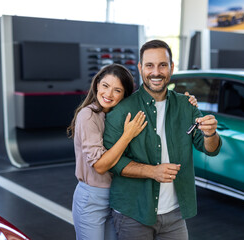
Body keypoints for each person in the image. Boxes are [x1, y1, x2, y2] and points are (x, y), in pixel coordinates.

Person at [103, 40, 222, 240]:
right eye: (149, 65)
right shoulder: (122, 110)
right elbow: (111, 162)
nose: (156, 72)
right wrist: (152, 171)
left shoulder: (186, 105)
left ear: (171, 67)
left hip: (175, 214)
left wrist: (210, 134)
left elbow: (210, 149)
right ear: (140, 68)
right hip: (133, 212)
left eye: (162, 65)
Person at [68, 63, 198, 240]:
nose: (108, 94)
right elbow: (100, 166)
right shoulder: (88, 115)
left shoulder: (120, 114)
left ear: (124, 95)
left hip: (118, 197)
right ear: (97, 84)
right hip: (93, 198)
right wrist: (127, 135)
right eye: (105, 86)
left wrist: (186, 102)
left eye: (117, 90)